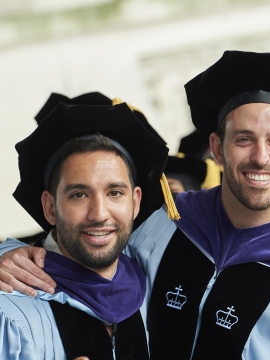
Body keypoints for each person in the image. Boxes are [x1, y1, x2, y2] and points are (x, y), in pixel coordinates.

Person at [0, 51, 270, 359]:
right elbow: (82, 250)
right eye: (243, 139)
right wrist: (12, 253)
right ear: (216, 148)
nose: (260, 157)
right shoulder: (163, 225)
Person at [0, 99, 171, 359]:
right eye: (79, 195)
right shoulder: (9, 311)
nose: (99, 214)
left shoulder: (153, 289)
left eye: (114, 192)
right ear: (49, 207)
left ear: (135, 203)